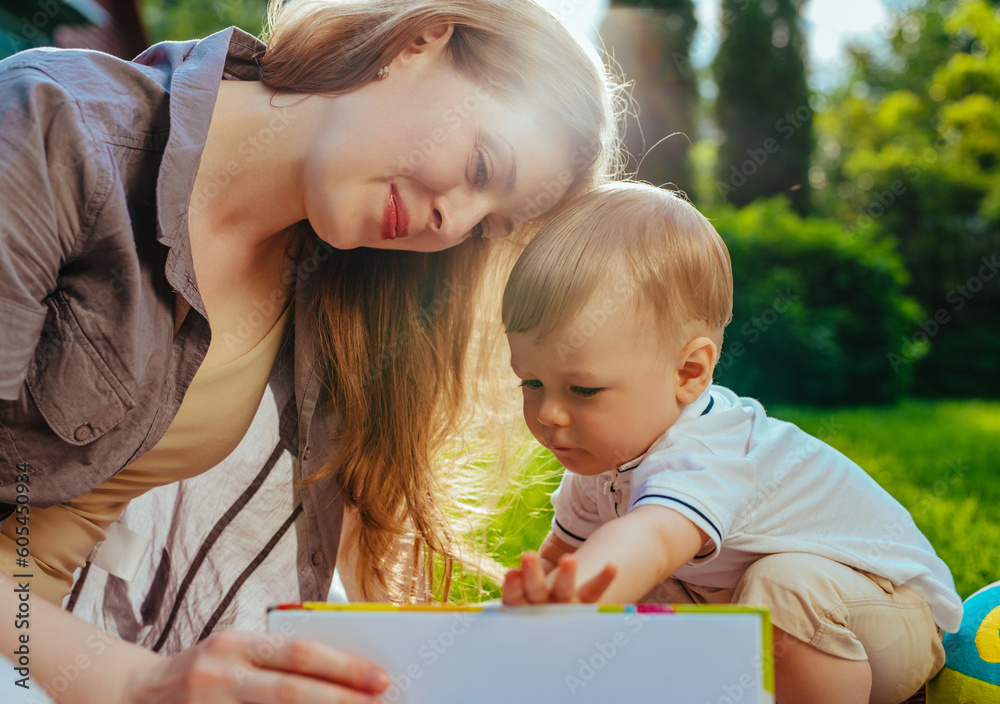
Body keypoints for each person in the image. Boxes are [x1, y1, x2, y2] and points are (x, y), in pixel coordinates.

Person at [0, 0, 619, 700]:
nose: (456, 221)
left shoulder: (338, 297)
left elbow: (374, 600)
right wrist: (136, 684)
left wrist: (498, 645)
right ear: (419, 41)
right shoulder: (53, 129)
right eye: (481, 163)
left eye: (487, 227)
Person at [499, 182, 963, 704]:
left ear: (689, 372)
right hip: (765, 613)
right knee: (646, 602)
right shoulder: (598, 466)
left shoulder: (707, 449)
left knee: (782, 584)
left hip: (887, 621)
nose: (548, 413)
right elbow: (564, 558)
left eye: (583, 389)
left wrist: (578, 599)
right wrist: (531, 614)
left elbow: (649, 541)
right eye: (531, 382)